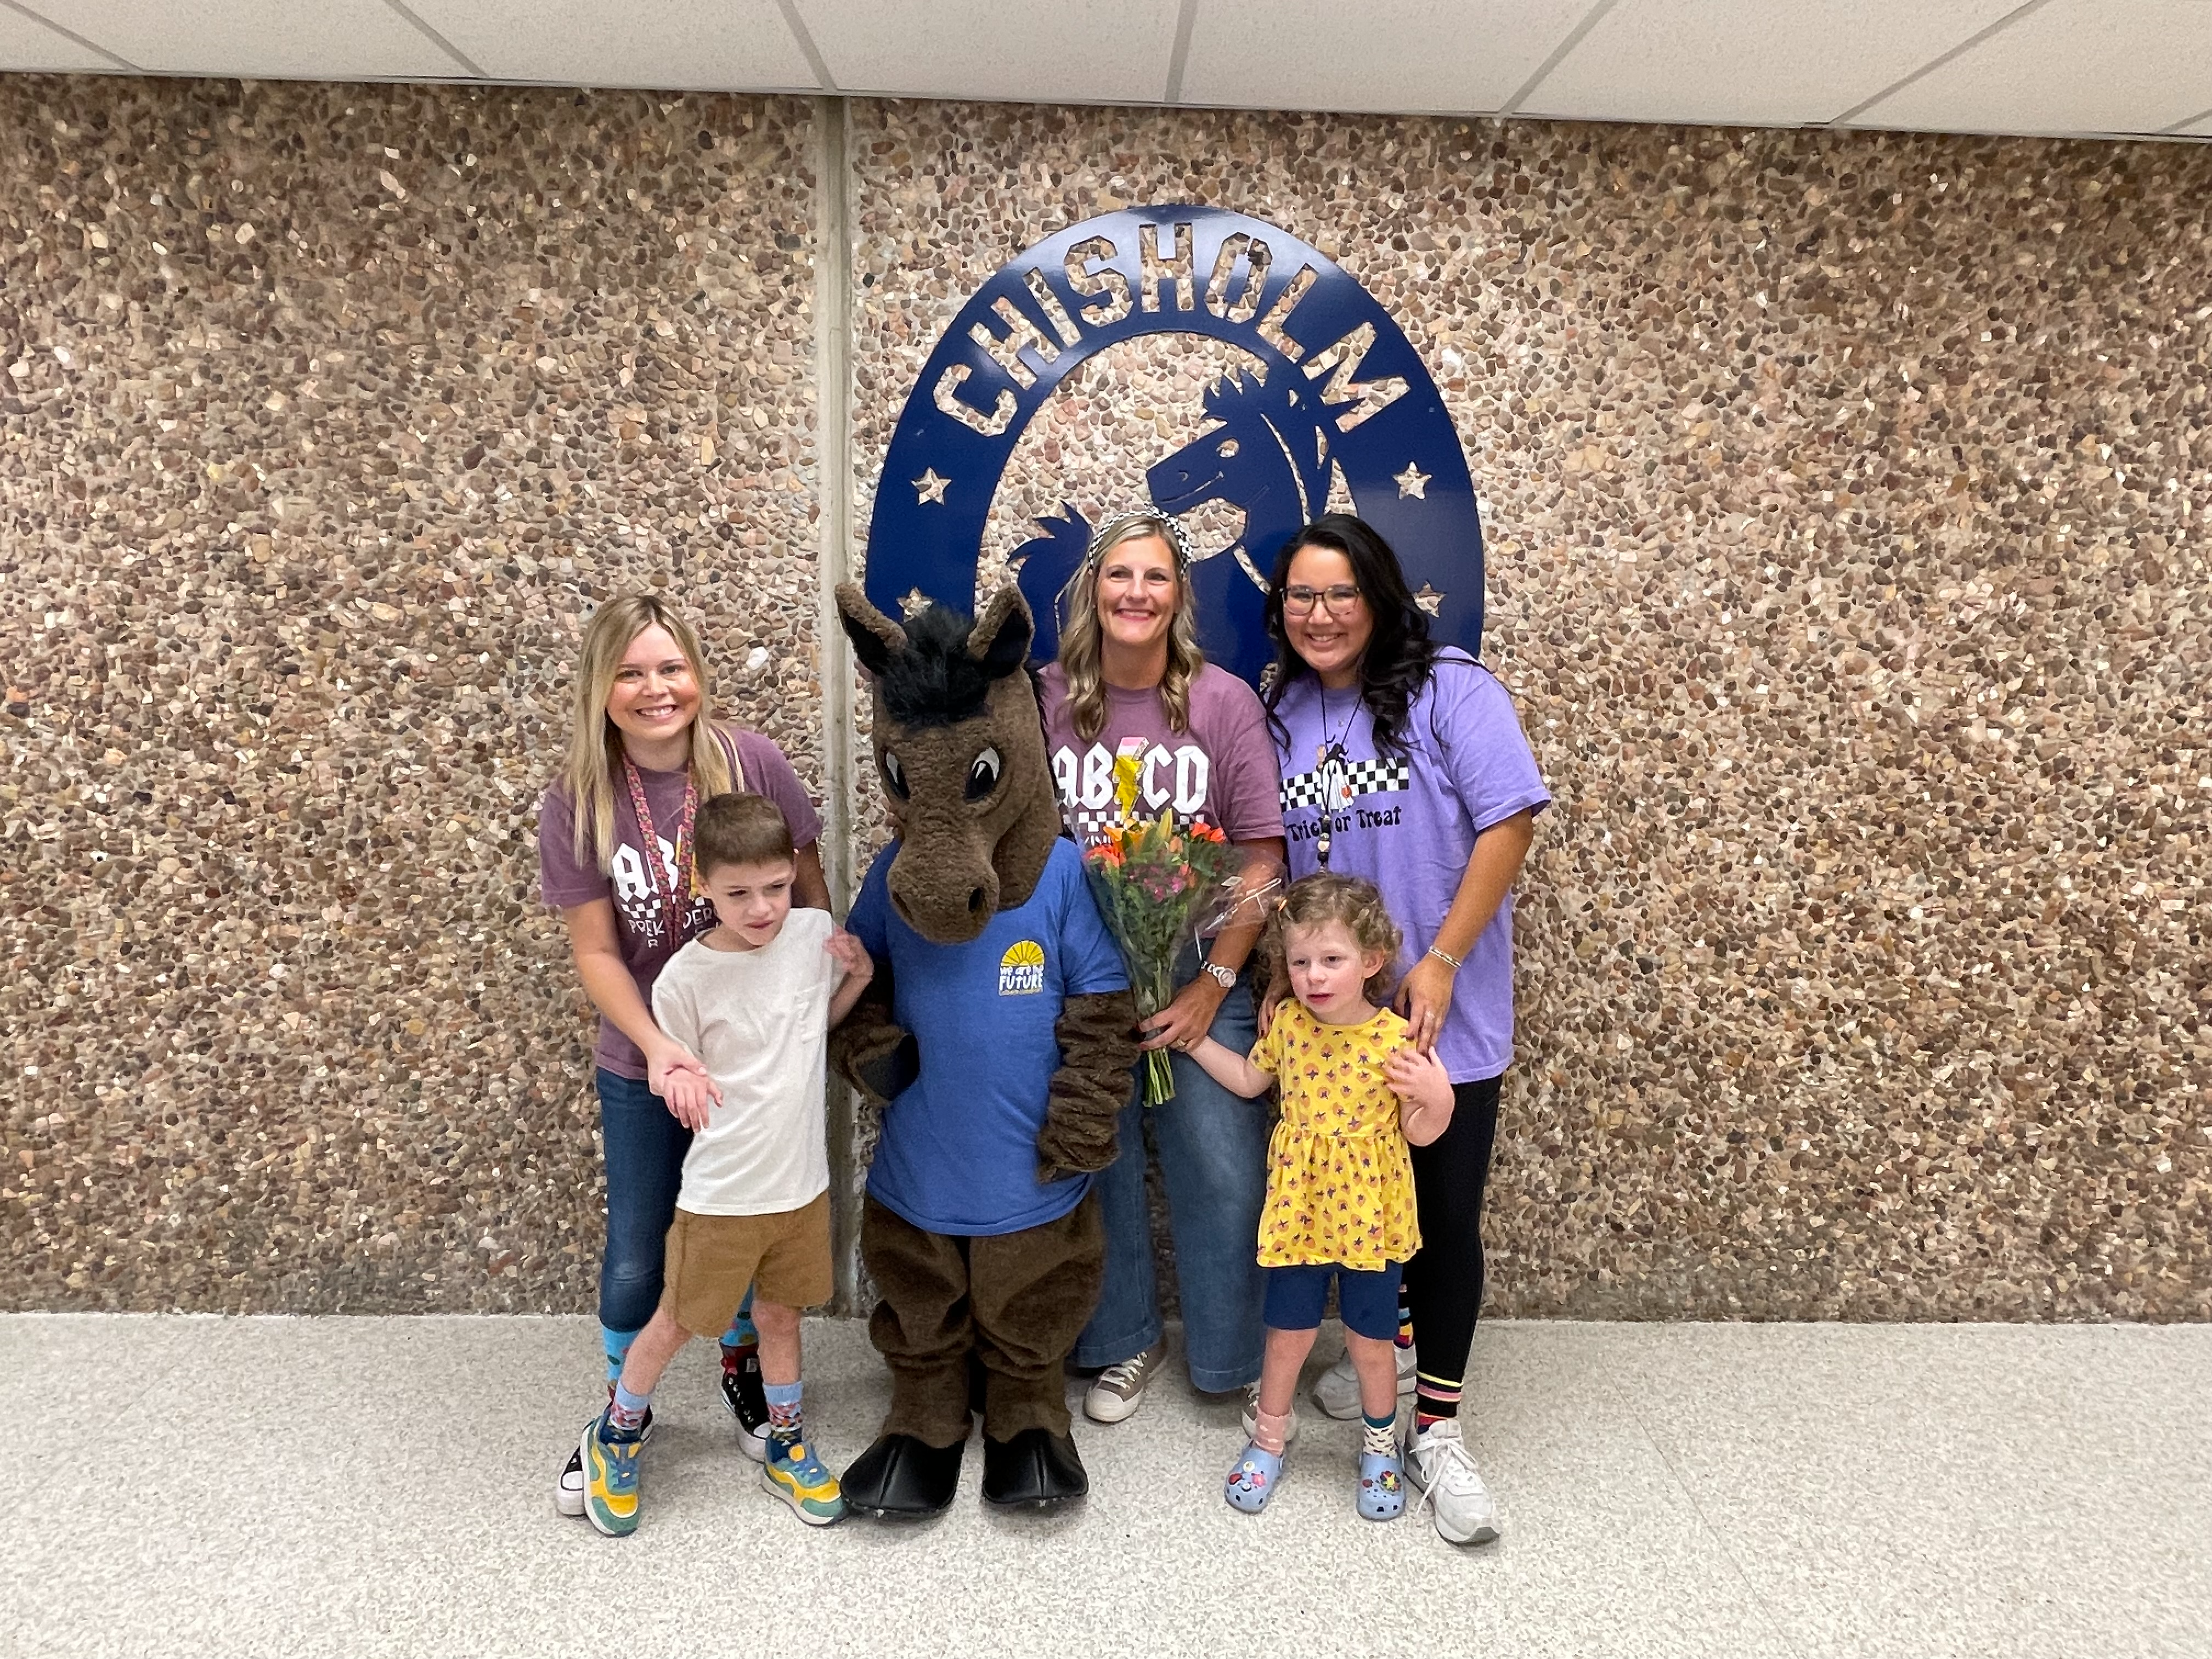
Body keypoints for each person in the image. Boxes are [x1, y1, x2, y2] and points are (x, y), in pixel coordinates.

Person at [1262, 513, 1548, 1546]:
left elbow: (1508, 820)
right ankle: (1378, 1363)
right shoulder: (1282, 709)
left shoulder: (1451, 688)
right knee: (1362, 1217)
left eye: (1340, 592)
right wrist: (1277, 975)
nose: (1320, 613)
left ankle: (1437, 1426)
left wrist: (1441, 955)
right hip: (1333, 1036)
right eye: (1300, 594)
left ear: (1379, 598)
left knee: (1438, 1220)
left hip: (1439, 1021)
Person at [537, 593, 829, 1517]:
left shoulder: (753, 764)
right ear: (601, 687)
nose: (654, 688)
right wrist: (662, 1049)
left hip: (750, 1062)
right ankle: (626, 1413)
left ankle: (747, 1376)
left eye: (669, 666)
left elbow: (811, 898)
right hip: (648, 1059)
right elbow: (594, 948)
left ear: (696, 672)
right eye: (630, 671)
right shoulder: (579, 799)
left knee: (749, 1224)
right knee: (640, 1241)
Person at [1037, 511, 1288, 1423]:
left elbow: (1261, 855)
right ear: (1092, 589)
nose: (1135, 593)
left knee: (1222, 1166)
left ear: (1178, 592)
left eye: (1154, 576)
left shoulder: (1220, 702)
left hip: (1197, 963)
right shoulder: (1048, 697)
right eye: (1118, 575)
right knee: (1098, 1162)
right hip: (1084, 971)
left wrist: (1211, 982)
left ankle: (1231, 1354)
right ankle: (1120, 1338)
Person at [577, 792, 874, 1535]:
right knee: (678, 1320)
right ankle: (616, 1431)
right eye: (738, 893)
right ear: (700, 884)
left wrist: (860, 978)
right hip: (722, 1195)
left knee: (780, 1316)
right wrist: (671, 1078)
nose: (763, 907)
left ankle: (787, 1443)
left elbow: (810, 1029)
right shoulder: (685, 979)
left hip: (800, 1188)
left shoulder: (813, 935)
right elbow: (670, 1064)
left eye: (776, 886)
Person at [1183, 874, 1453, 1518]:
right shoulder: (1291, 1029)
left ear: (1372, 962)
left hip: (1370, 1221)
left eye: (1331, 960)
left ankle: (1381, 1448)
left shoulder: (1395, 1041)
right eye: (1300, 962)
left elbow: (1417, 1131)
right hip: (1300, 1214)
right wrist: (1196, 1044)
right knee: (1287, 1336)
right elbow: (1252, 1079)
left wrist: (1438, 1096)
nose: (1314, 976)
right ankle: (1269, 1440)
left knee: (1371, 1343)